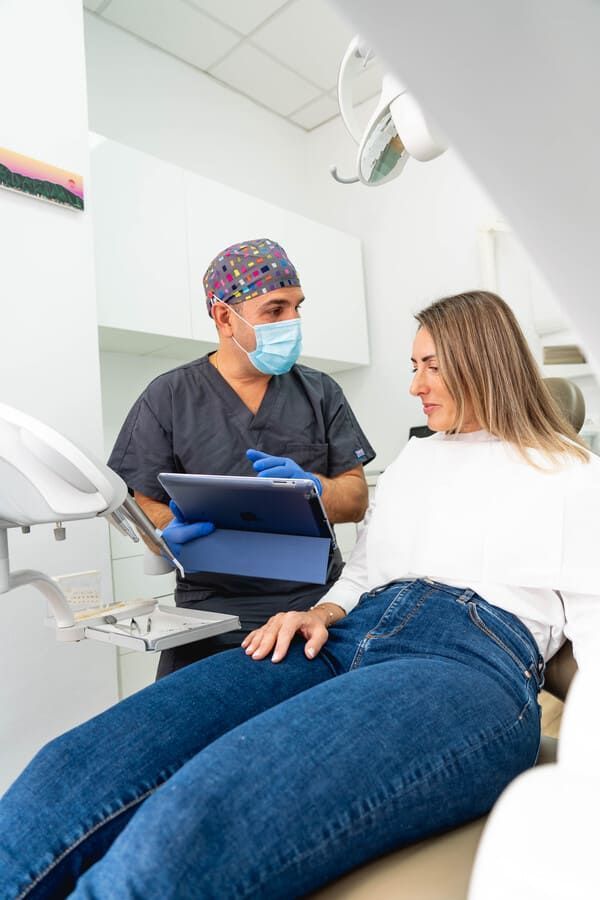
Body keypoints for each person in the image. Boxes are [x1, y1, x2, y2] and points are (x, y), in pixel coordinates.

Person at [2, 290, 600, 900]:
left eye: (431, 366)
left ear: (485, 362)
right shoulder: (416, 462)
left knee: (193, 821)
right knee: (81, 764)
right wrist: (320, 611)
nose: (415, 385)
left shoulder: (574, 475)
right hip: (342, 633)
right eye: (412, 367)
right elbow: (366, 571)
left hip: (465, 659)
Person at [107, 237, 375, 677]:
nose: (293, 321)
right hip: (210, 614)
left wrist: (315, 487)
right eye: (275, 310)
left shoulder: (320, 392)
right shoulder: (169, 396)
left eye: (297, 306)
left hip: (315, 607)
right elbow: (139, 497)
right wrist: (168, 528)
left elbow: (356, 497)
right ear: (223, 317)